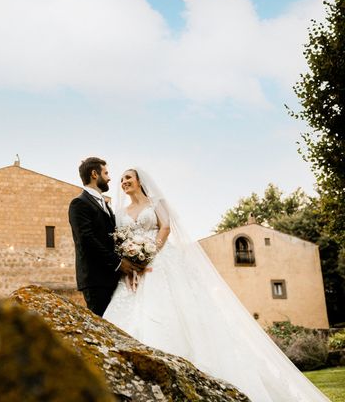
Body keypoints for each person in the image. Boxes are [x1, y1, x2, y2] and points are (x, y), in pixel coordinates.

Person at [103, 168, 330, 402]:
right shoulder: (121, 212)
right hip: (136, 268)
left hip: (161, 260)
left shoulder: (156, 202)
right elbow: (122, 238)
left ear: (139, 180)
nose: (123, 182)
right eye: (121, 179)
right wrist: (133, 264)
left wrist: (149, 254)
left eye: (128, 177)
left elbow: (166, 227)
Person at [68, 157, 136, 316]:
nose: (109, 178)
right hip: (96, 280)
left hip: (112, 277)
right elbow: (86, 240)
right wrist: (119, 263)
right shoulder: (79, 203)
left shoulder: (105, 204)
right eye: (106, 173)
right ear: (94, 174)